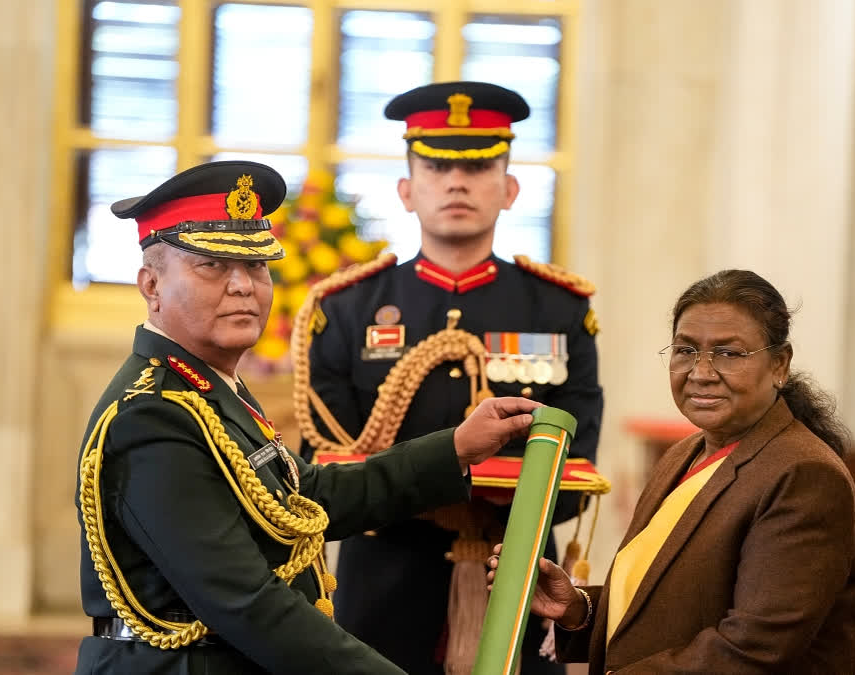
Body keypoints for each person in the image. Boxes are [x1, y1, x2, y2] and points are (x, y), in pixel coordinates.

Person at [72, 159, 542, 675]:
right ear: (151, 286)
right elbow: (249, 603)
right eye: (212, 266)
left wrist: (455, 447)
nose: (243, 286)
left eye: (255, 266)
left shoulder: (207, 387)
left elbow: (308, 495)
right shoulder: (152, 416)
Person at [295, 81, 603, 675]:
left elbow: (576, 454)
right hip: (384, 572)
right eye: (436, 166)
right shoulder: (346, 309)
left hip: (515, 568)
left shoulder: (559, 310)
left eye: (479, 165)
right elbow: (325, 459)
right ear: (407, 190)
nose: (456, 181)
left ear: (509, 189)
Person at [488, 269, 855, 674]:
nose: (701, 372)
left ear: (779, 365)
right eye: (686, 350)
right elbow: (667, 606)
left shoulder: (805, 475)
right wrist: (577, 607)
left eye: (728, 353)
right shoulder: (682, 454)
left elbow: (753, 649)